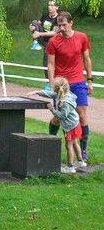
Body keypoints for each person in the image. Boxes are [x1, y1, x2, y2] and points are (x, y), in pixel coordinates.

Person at [45, 11, 93, 160]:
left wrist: (89, 80)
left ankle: (83, 151)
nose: (62, 28)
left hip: (78, 82)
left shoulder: (82, 37)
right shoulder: (54, 41)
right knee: (58, 118)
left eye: (64, 24)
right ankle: (49, 144)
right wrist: (52, 85)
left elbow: (87, 59)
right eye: (59, 25)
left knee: (82, 116)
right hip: (62, 85)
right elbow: (51, 64)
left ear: (71, 23)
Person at [32, 77, 86, 173]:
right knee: (74, 143)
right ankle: (80, 161)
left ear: (56, 88)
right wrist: (38, 92)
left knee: (68, 146)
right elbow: (51, 94)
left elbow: (62, 116)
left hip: (70, 127)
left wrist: (52, 109)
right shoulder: (65, 94)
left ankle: (70, 167)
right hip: (75, 124)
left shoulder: (65, 102)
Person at [30, 0, 60, 89]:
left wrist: (39, 34)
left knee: (47, 61)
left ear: (57, 7)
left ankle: (49, 82)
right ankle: (35, 43)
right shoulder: (45, 16)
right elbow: (38, 24)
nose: (49, 7)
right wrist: (32, 27)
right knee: (34, 22)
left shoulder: (58, 19)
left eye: (52, 5)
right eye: (49, 5)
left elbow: (55, 33)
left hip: (52, 42)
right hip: (43, 39)